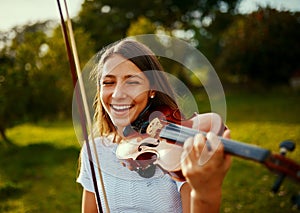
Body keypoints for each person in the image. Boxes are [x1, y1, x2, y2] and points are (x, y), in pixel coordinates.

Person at [76, 38, 231, 213]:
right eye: (108, 82)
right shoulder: (95, 150)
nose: (118, 94)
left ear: (152, 89)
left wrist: (206, 192)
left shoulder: (177, 151)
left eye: (132, 82)